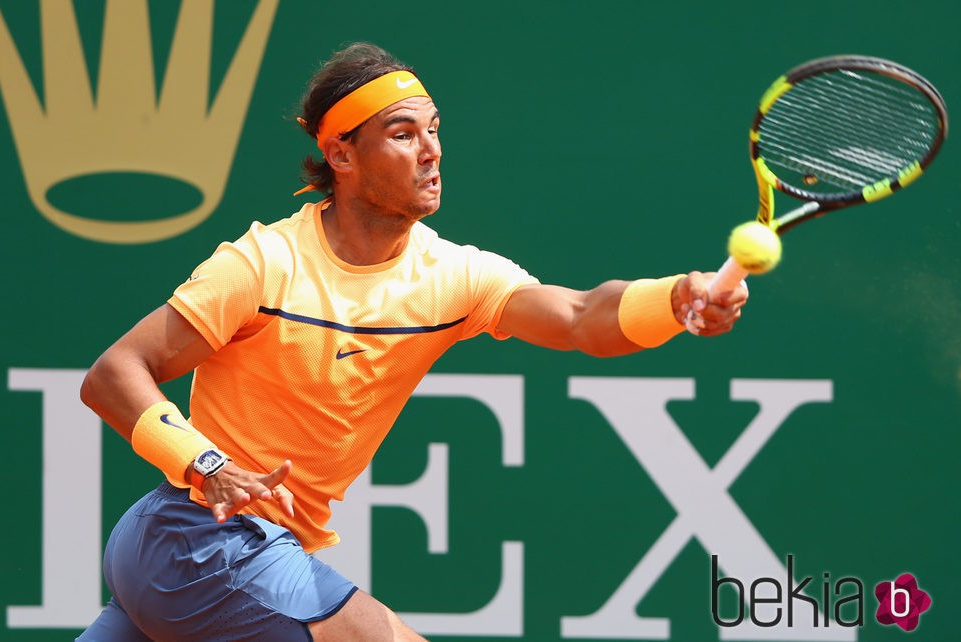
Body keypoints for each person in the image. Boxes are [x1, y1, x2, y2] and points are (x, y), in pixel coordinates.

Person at [76, 42, 748, 641]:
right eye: (402, 135)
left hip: (192, 554)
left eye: (432, 131)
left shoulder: (452, 275)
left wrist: (675, 298)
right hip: (199, 538)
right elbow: (114, 373)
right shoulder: (263, 264)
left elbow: (577, 316)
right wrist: (209, 465)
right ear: (340, 154)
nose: (431, 151)